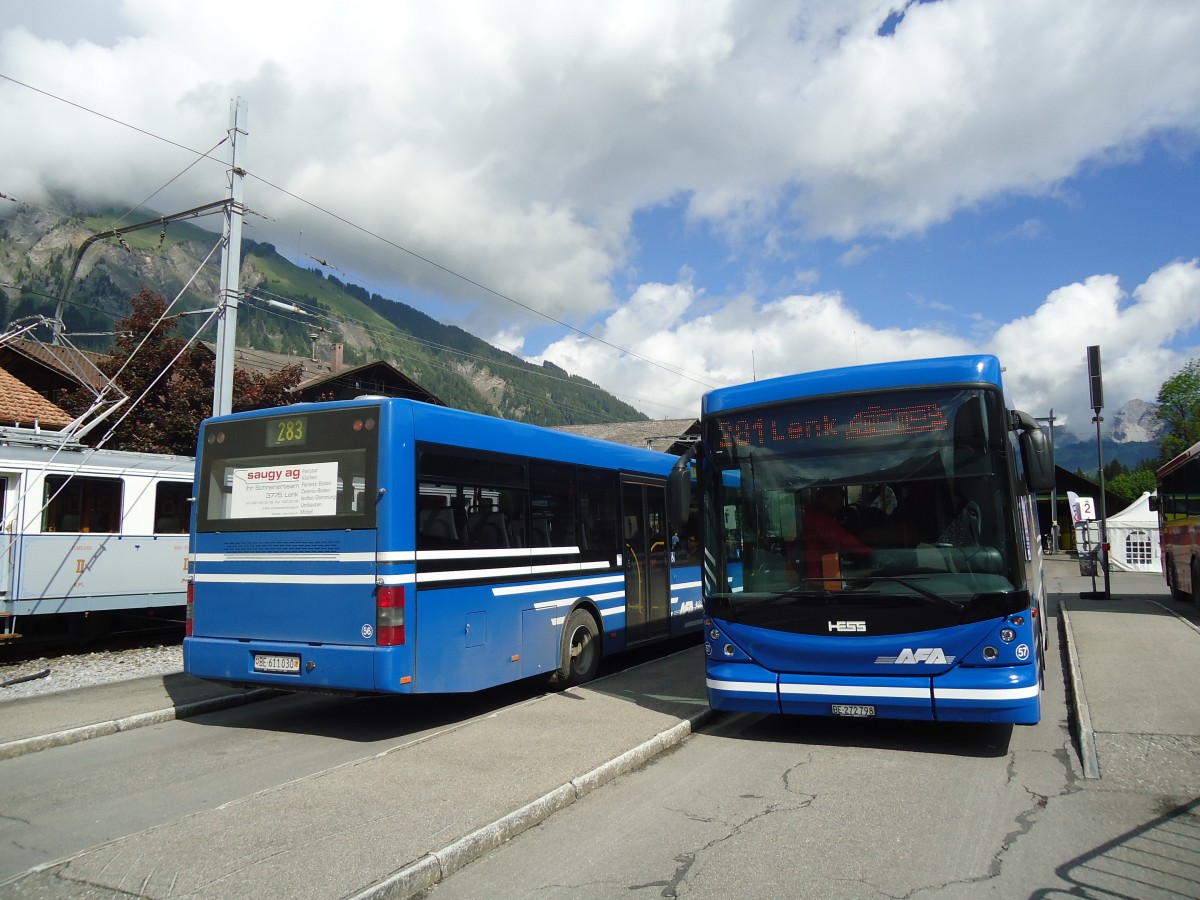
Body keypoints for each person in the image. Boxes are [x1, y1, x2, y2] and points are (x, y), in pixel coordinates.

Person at [798, 487, 873, 581]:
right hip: (818, 573)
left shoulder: (812, 514)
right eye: (838, 502)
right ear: (826, 499)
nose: (840, 506)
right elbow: (842, 540)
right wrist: (872, 552)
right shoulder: (818, 518)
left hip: (817, 570)